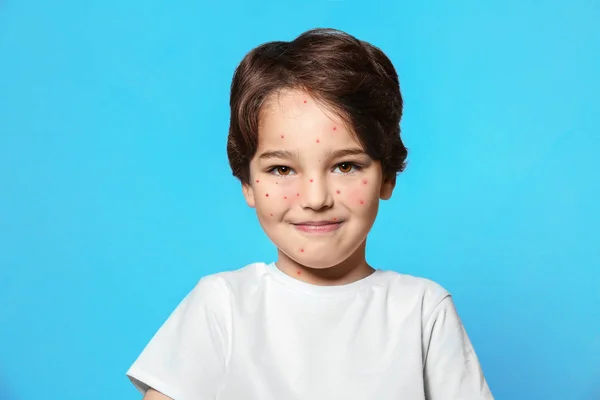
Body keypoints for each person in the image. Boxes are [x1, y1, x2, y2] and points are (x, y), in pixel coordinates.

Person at [126, 27, 494, 400]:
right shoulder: (222, 306)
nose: (316, 198)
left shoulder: (421, 311)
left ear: (387, 176)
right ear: (248, 183)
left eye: (346, 166)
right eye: (282, 170)